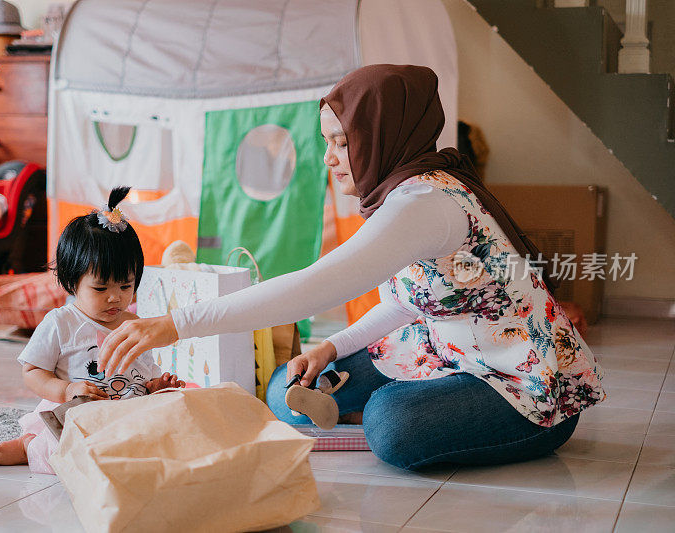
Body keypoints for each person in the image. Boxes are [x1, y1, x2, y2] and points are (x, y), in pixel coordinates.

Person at [97, 65, 606, 471]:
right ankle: (396, 401)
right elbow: (404, 302)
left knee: (391, 423)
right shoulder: (401, 193)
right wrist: (331, 347)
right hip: (445, 353)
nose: (330, 158)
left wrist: (175, 325)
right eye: (326, 142)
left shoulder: (424, 202)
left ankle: (397, 407)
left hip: (525, 388)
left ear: (384, 136)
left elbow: (314, 286)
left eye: (342, 142)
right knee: (285, 390)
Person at [0, 186, 184, 473]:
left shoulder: (135, 325)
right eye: (101, 288)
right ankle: (30, 446)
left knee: (165, 439)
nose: (115, 297)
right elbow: (32, 372)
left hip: (125, 418)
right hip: (75, 417)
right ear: (71, 281)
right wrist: (66, 390)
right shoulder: (61, 323)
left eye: (126, 286)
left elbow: (144, 373)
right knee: (69, 457)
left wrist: (156, 387)